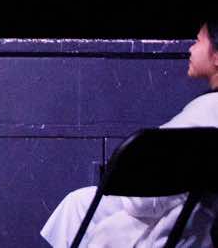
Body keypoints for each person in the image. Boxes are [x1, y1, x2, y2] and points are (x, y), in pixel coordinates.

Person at [41, 15, 218, 247]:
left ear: (216, 56)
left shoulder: (205, 111)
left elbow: (142, 200)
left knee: (83, 211)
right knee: (78, 203)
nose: (191, 48)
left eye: (198, 41)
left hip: (182, 228)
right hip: (195, 220)